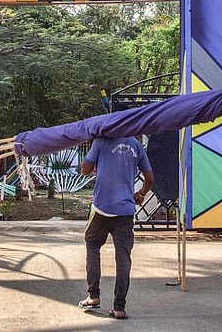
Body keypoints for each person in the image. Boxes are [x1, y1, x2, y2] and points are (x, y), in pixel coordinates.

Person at [77, 135, 154, 320]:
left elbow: (84, 170)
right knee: (123, 257)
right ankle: (119, 307)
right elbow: (150, 178)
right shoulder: (136, 145)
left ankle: (93, 296)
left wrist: (92, 150)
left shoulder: (101, 141)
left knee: (92, 245)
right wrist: (141, 194)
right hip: (125, 212)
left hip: (102, 208)